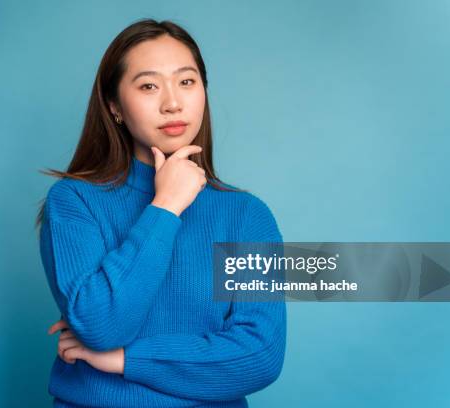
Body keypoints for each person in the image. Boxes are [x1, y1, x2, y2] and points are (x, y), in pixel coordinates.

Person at [37, 18, 286, 408]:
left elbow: (259, 356)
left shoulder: (246, 216)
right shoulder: (73, 202)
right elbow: (104, 325)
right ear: (115, 105)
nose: (172, 102)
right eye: (149, 85)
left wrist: (122, 360)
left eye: (186, 81)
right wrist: (165, 206)